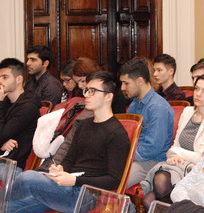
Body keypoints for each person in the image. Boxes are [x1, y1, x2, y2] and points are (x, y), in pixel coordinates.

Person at [9, 71, 130, 212]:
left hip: (87, 195)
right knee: (8, 207)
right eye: (86, 90)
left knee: (26, 178)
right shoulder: (83, 124)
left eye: (92, 91)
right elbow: (69, 159)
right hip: (66, 187)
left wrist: (75, 181)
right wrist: (60, 169)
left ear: (108, 96)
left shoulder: (117, 133)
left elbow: (113, 180)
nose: (86, 95)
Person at [141, 73, 204, 210]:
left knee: (155, 192)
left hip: (197, 169)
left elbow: (201, 156)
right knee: (150, 198)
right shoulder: (187, 111)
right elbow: (175, 146)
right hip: (177, 165)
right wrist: (173, 156)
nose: (198, 94)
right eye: (196, 89)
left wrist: (176, 153)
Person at [119, 59, 174, 188]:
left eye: (126, 83)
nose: (122, 88)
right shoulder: (135, 104)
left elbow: (152, 148)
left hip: (150, 161)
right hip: (134, 156)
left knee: (115, 180)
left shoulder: (158, 108)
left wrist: (125, 156)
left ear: (139, 81)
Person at [0, 58, 41, 172]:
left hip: (12, 165)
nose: (0, 81)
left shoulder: (28, 107)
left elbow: (2, 135)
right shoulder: (5, 102)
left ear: (18, 79)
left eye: (5, 77)